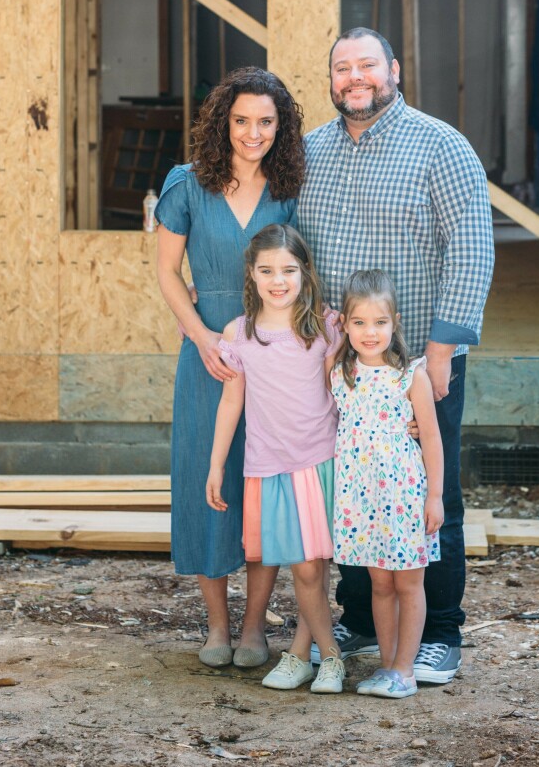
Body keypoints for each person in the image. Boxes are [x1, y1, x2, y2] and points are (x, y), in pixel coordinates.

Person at [297, 27, 495, 684]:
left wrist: (440, 355)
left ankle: (439, 630)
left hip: (416, 365)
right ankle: (358, 615)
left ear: (395, 70)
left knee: (431, 494)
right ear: (331, 80)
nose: (355, 78)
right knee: (352, 486)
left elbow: (470, 251)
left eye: (367, 65)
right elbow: (294, 255)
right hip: (343, 370)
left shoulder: (442, 147)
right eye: (342, 68)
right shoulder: (311, 154)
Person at [155, 67, 304, 670]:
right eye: (241, 120)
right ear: (223, 121)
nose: (252, 132)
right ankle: (216, 626)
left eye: (266, 122)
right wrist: (203, 339)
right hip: (209, 356)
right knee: (205, 483)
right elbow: (166, 273)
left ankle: (253, 629)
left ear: (281, 127)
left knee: (264, 487)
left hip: (277, 360)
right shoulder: (187, 184)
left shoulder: (292, 185)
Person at [206, 224, 346, 694]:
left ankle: (324, 657)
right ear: (251, 273)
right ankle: (305, 655)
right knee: (301, 564)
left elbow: (349, 388)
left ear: (304, 272)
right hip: (268, 465)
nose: (278, 280)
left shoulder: (326, 327)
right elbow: (232, 403)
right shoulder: (240, 333)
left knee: (311, 567)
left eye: (288, 269)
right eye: (267, 270)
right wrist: (216, 463)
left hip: (318, 459)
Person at [331, 270, 444, 698]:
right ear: (344, 323)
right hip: (361, 498)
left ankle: (406, 669)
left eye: (379, 322)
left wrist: (435, 496)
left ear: (394, 322)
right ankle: (386, 666)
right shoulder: (341, 373)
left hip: (403, 495)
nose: (370, 331)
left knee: (408, 582)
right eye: (359, 322)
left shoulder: (410, 375)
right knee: (379, 583)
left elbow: (431, 436)